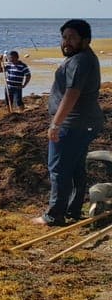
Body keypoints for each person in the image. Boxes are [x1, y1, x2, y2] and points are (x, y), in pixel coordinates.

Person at [33, 19, 104, 226]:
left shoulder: (80, 61)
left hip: (73, 124)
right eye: (64, 37)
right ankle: (73, 210)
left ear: (86, 39)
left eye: (72, 37)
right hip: (84, 123)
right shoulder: (84, 58)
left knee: (58, 168)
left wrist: (56, 124)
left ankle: (54, 215)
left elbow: (72, 94)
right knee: (75, 167)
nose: (66, 42)